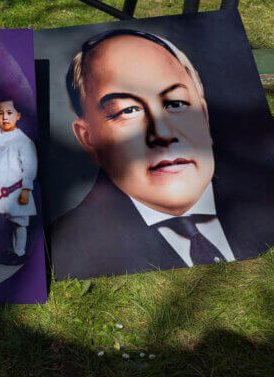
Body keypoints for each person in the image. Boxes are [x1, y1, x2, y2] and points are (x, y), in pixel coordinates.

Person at [51, 29, 274, 279]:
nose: (162, 133)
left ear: (204, 113)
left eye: (176, 104)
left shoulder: (262, 191)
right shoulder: (70, 247)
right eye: (127, 111)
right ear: (89, 139)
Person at [0, 100, 37, 265]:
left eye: (9, 113)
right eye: (1, 113)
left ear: (18, 116)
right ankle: (7, 251)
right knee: (3, 222)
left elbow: (30, 166)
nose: (5, 117)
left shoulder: (23, 141)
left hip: (16, 189)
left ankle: (19, 253)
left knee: (19, 223)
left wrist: (26, 190)